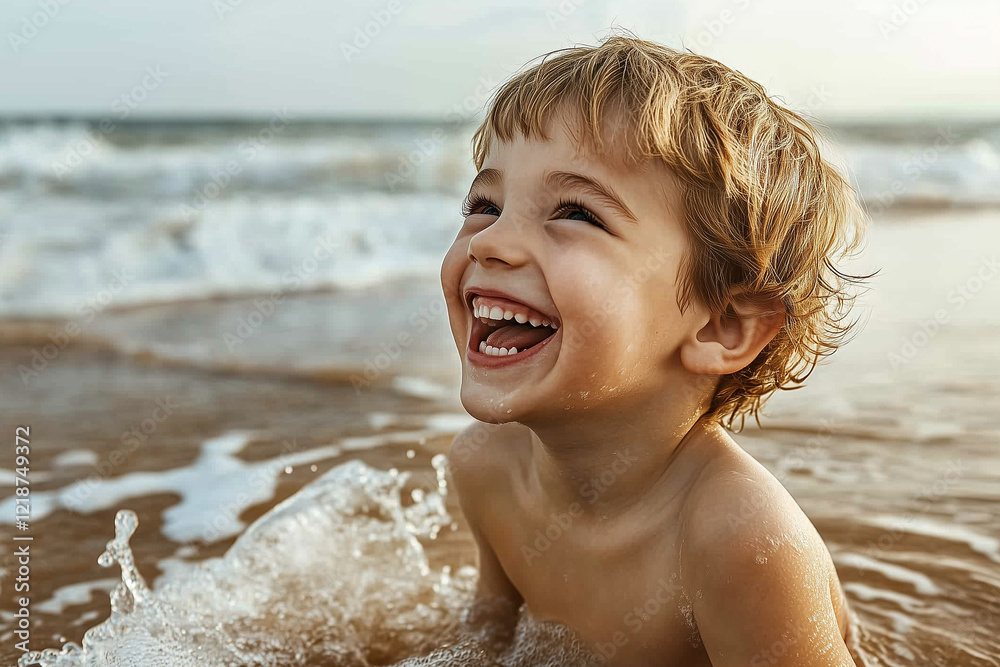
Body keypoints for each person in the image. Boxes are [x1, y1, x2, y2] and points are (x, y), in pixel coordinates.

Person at [440, 34, 871, 666]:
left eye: (577, 214)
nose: (490, 242)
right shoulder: (484, 468)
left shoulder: (739, 538)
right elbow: (484, 640)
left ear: (720, 326)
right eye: (485, 204)